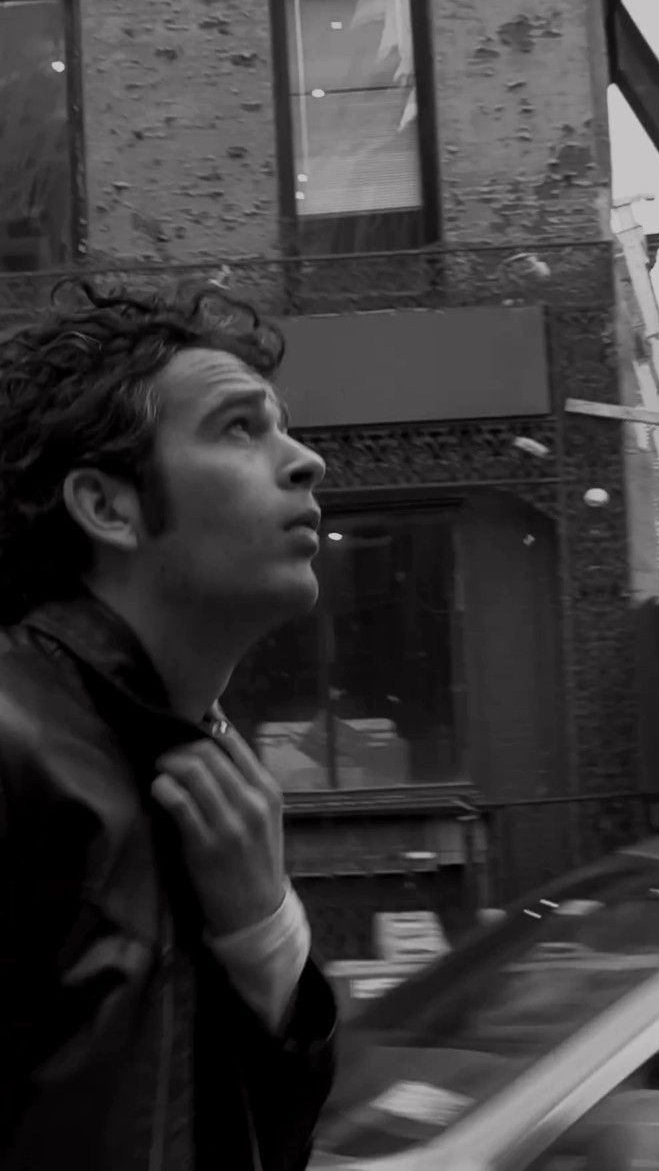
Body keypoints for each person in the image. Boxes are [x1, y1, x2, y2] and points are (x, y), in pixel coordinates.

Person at [0, 280, 335, 1170]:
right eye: (239, 427)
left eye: (283, 427)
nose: (306, 461)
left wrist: (265, 937)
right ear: (107, 506)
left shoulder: (199, 781)